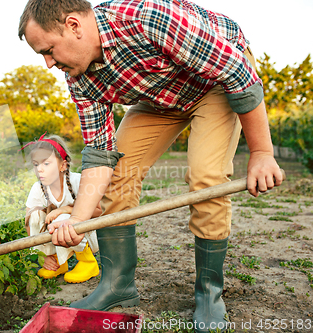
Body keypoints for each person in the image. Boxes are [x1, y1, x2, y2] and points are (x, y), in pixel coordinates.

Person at [18, 0, 283, 331]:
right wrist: (79, 220)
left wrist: (261, 152)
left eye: (48, 50)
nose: (47, 63)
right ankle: (118, 286)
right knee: (118, 174)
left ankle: (209, 293)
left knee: (207, 178)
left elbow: (236, 72)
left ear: (74, 26)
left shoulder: (146, 19)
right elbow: (100, 152)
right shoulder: (80, 77)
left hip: (214, 82)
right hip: (161, 96)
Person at [23, 132, 101, 283]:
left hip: (89, 237)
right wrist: (43, 256)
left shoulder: (78, 180)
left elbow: (98, 211)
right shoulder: (38, 188)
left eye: (46, 163)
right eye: (36, 164)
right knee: (34, 215)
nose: (39, 169)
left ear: (62, 165)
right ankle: (57, 261)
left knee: (63, 219)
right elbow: (29, 223)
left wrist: (65, 209)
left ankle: (88, 262)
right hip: (58, 236)